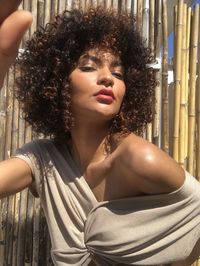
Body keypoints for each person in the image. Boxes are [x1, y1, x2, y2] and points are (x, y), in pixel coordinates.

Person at [0, 1, 200, 266]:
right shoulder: (44, 159)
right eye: (88, 67)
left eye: (118, 72)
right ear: (57, 81)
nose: (108, 78)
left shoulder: (138, 159)